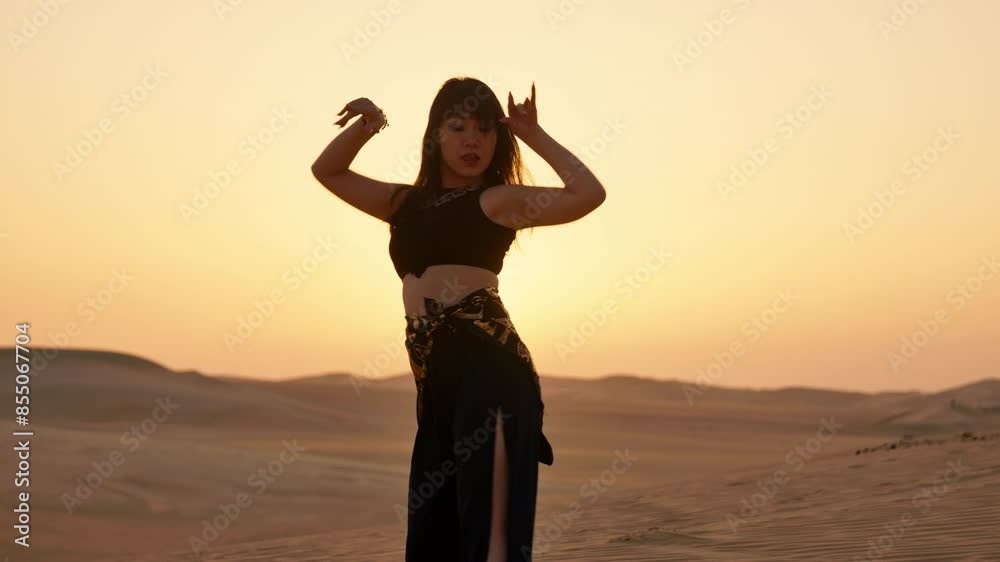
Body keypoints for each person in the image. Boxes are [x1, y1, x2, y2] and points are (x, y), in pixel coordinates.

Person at [310, 76, 606, 561]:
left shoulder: (499, 200)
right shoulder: (402, 203)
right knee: (432, 531)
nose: (473, 140)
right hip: (433, 379)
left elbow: (587, 194)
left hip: (489, 367)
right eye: (458, 126)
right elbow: (329, 171)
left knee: (491, 533)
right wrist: (368, 125)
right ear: (436, 135)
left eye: (487, 130)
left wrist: (533, 135)